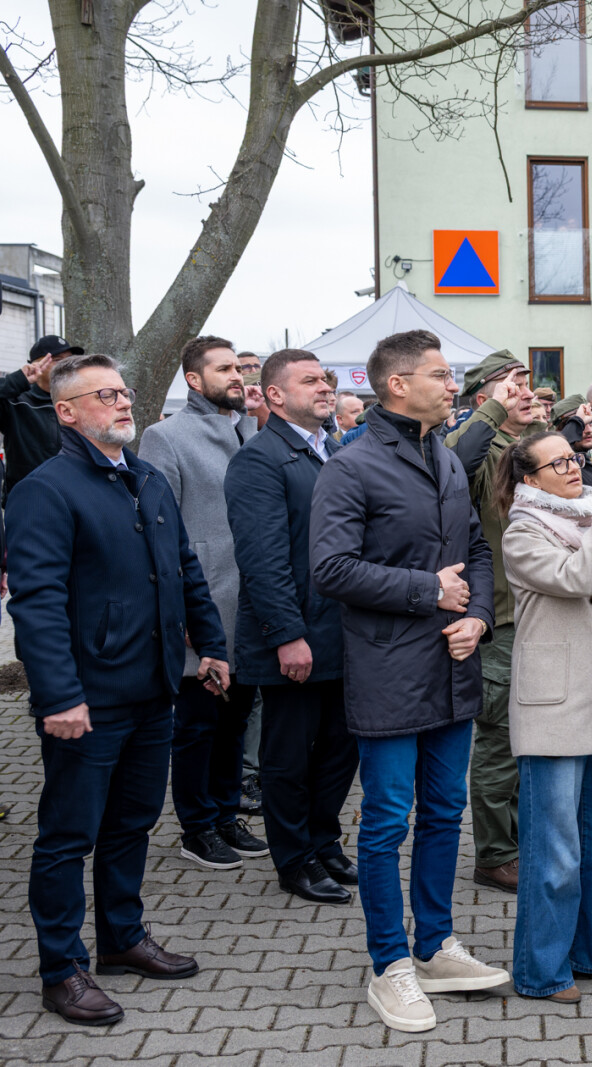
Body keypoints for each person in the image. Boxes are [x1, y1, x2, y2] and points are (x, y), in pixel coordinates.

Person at [8, 353, 230, 1025]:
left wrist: (211, 644)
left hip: (153, 687)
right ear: (67, 411)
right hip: (87, 698)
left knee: (131, 822)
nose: (123, 403)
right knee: (68, 835)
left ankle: (122, 938)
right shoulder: (44, 490)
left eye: (126, 393)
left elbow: (186, 567)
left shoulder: (148, 479)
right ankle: (61, 967)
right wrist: (58, 696)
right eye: (104, 395)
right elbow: (37, 602)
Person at [310, 330, 507, 1033]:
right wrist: (429, 591)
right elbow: (330, 569)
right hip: (389, 670)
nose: (453, 384)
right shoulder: (351, 466)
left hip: (452, 668)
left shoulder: (448, 461)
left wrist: (478, 615)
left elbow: (478, 549)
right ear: (397, 385)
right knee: (387, 821)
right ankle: (389, 963)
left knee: (445, 812)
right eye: (440, 374)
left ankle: (433, 945)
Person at [494, 431, 592, 1003]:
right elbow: (577, 578)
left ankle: (589, 953)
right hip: (555, 706)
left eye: (572, 457)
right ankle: (540, 971)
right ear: (529, 479)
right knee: (555, 851)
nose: (571, 466)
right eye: (555, 462)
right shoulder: (524, 530)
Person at [227, 350, 360, 904]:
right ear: (276, 395)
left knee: (339, 749)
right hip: (295, 637)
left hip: (342, 633)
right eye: (311, 381)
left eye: (326, 379)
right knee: (289, 757)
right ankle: (294, 859)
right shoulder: (259, 460)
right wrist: (287, 635)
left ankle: (322, 839)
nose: (325, 388)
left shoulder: (332, 451)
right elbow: (263, 559)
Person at [140, 335, 267, 871]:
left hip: (252, 608)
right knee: (196, 726)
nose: (237, 376)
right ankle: (196, 827)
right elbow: (155, 531)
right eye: (224, 369)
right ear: (194, 380)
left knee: (235, 721)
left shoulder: (250, 429)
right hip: (204, 605)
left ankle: (223, 813)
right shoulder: (164, 436)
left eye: (239, 367)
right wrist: (183, 614)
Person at [445, 350, 539, 894]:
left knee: (527, 737)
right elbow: (454, 463)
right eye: (513, 385)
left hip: (531, 615)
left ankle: (522, 842)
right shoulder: (479, 447)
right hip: (499, 618)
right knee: (500, 741)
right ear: (483, 399)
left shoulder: (519, 447)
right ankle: (495, 854)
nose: (526, 392)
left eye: (528, 383)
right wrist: (487, 414)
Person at [0, 333, 78, 494]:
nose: (66, 365)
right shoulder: (15, 401)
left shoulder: (78, 400)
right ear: (36, 364)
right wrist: (19, 379)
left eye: (69, 360)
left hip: (72, 495)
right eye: (58, 360)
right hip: (27, 497)